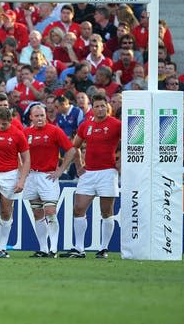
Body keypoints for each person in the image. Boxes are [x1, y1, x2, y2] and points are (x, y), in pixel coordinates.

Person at [61, 94, 121, 259]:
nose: (100, 109)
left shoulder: (116, 124)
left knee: (106, 211)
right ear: (92, 108)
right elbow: (75, 147)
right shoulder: (85, 125)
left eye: (103, 106)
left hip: (108, 172)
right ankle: (79, 249)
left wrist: (120, 162)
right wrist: (79, 166)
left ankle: (103, 248)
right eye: (97, 106)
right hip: (89, 173)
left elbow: (129, 142)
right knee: (78, 209)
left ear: (107, 107)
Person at [23, 104, 77, 258]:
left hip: (48, 176)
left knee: (50, 212)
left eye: (42, 115)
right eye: (37, 116)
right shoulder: (26, 132)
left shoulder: (55, 130)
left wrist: (60, 170)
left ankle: (53, 248)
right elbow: (19, 152)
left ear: (46, 116)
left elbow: (72, 150)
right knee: (37, 213)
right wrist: (22, 171)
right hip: (31, 177)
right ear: (31, 117)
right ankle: (43, 249)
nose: (40, 118)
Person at [0, 106, 30, 258]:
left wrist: (21, 180)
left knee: (5, 211)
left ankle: (2, 247)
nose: (1, 126)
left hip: (9, 175)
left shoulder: (17, 134)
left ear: (10, 121)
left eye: (4, 124)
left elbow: (26, 159)